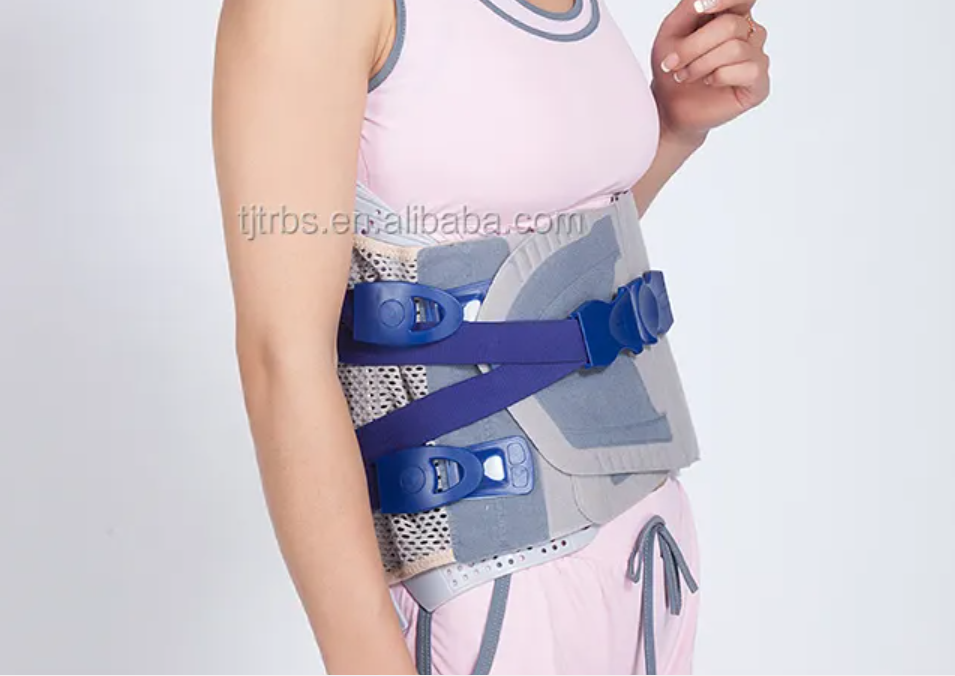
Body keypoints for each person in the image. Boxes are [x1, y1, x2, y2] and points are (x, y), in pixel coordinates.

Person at [211, 0, 770, 673]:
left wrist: (674, 125)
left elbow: (543, 272)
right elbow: (281, 358)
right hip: (483, 585)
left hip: (647, 552)